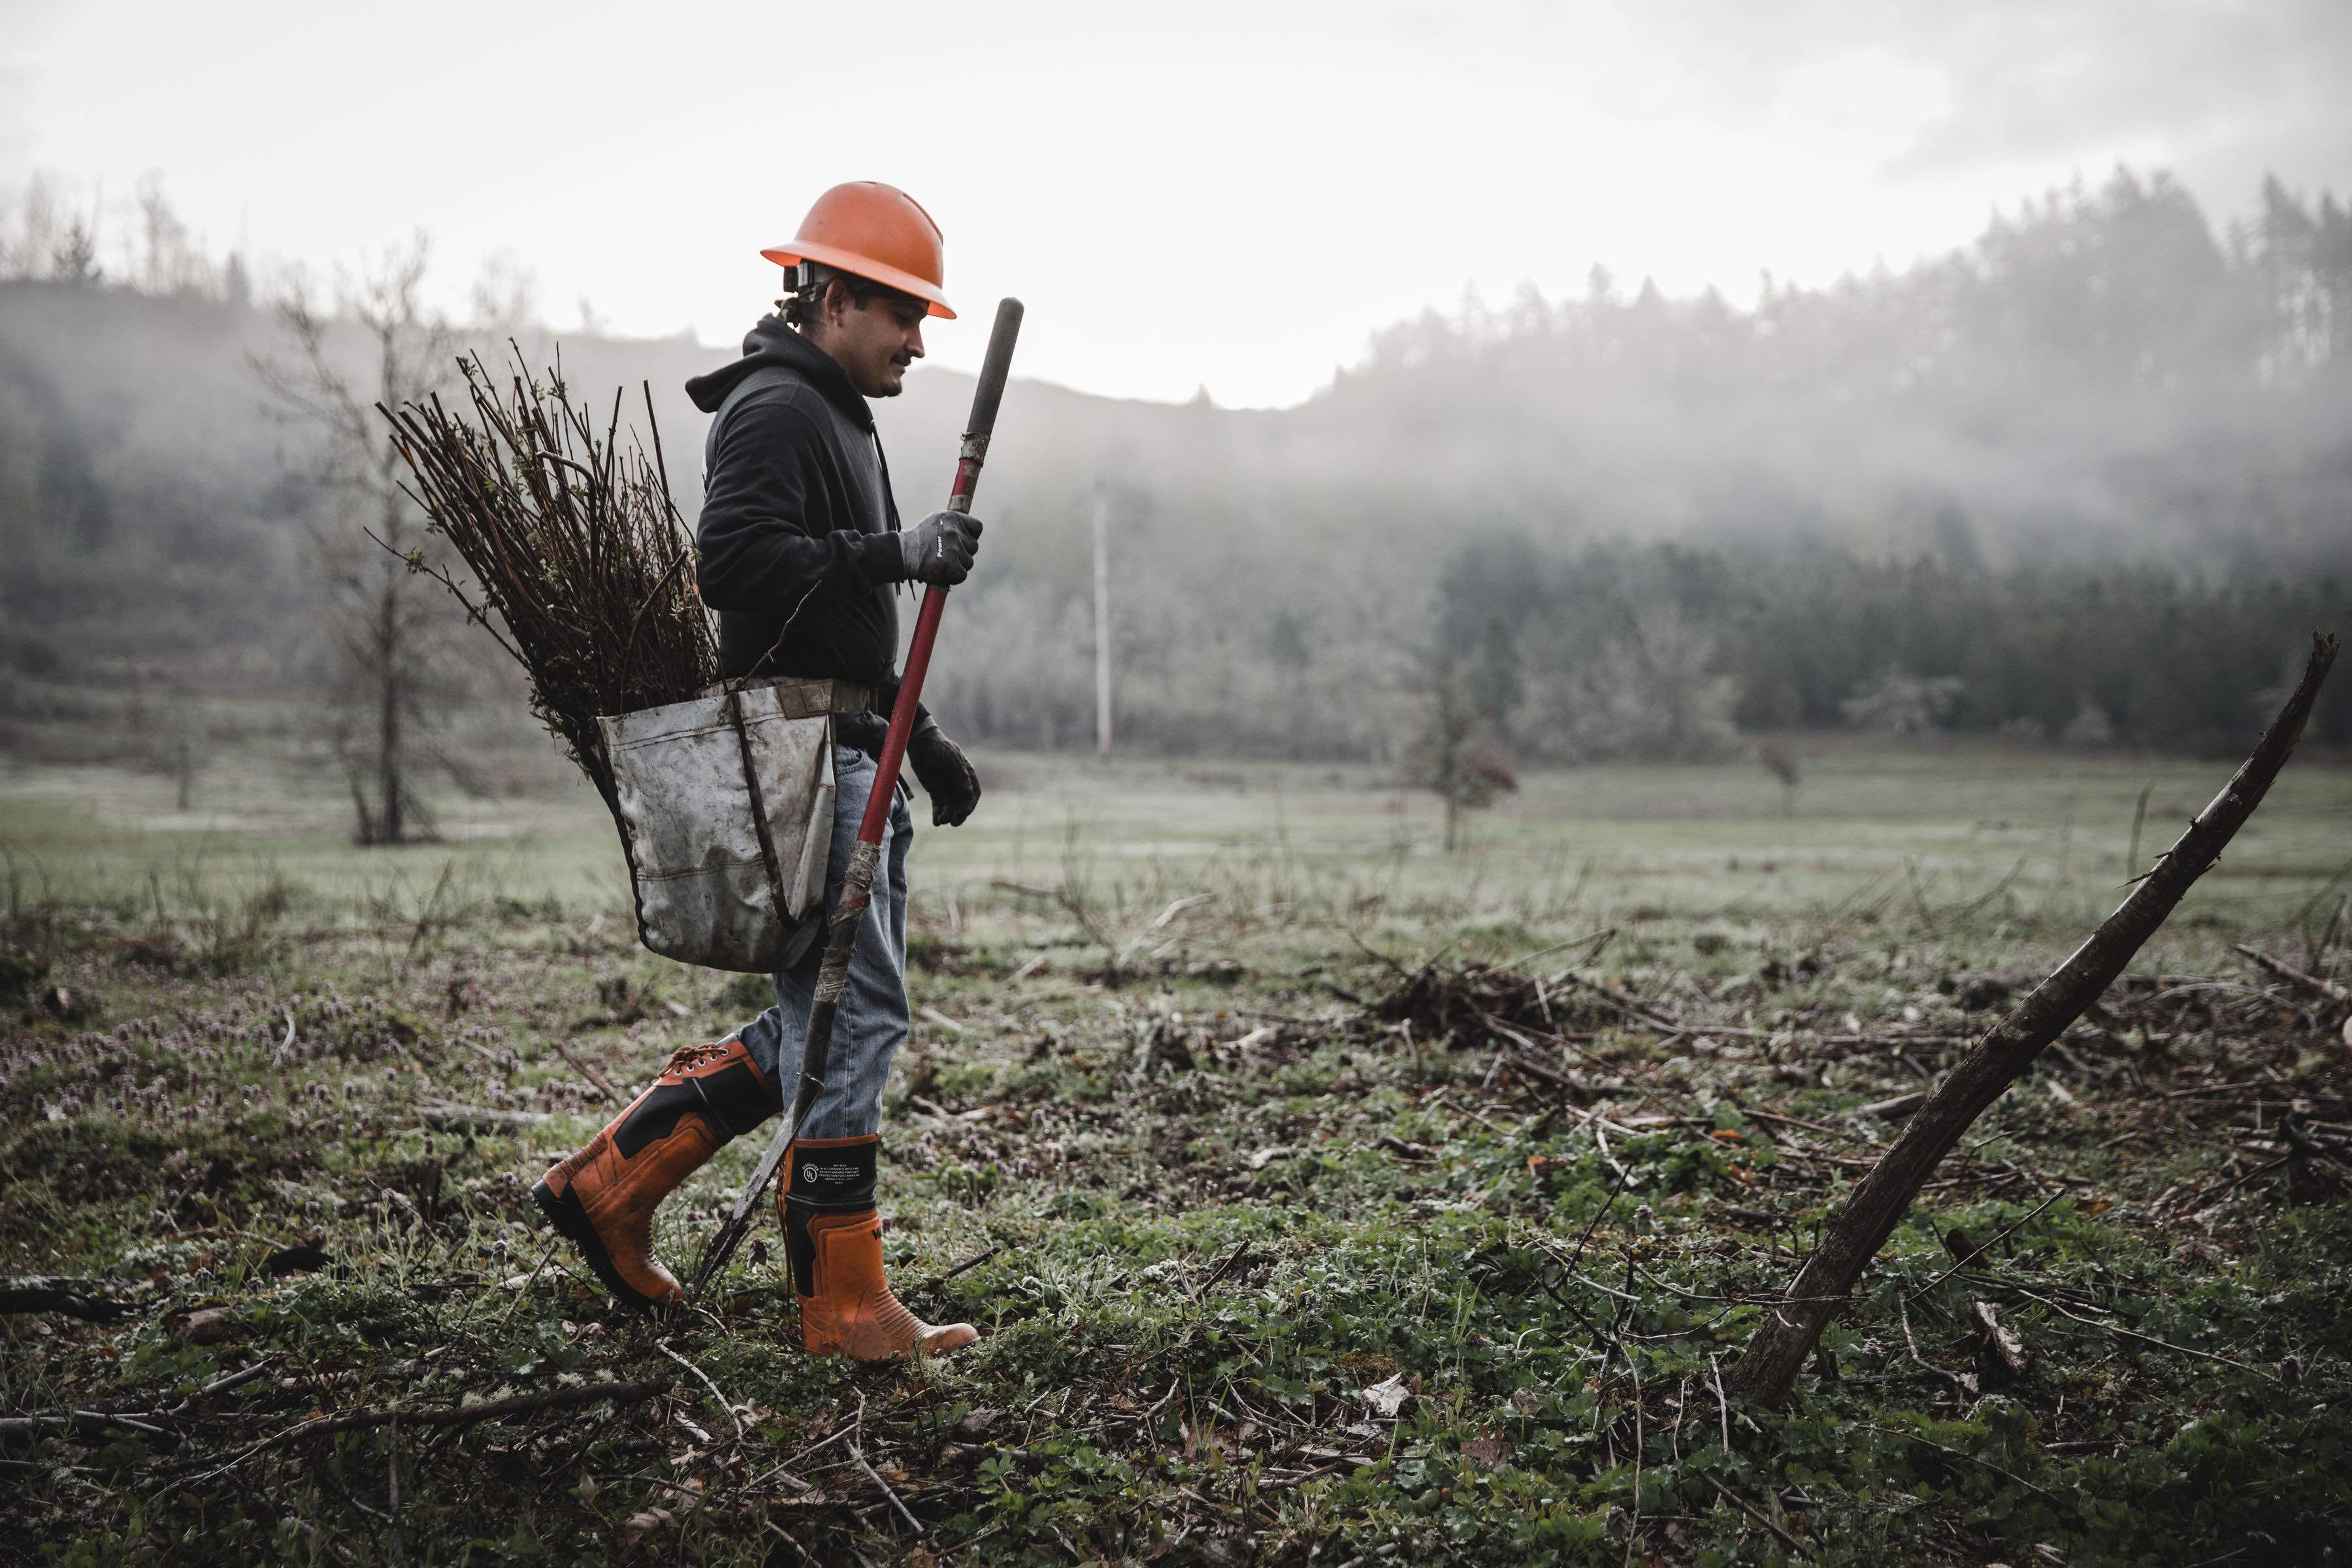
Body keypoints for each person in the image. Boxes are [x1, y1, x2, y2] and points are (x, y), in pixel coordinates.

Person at [532, 182, 986, 1362]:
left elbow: (843, 633)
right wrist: (899, 549)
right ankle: (839, 1298)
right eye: (903, 315)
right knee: (854, 1012)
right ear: (835, 298)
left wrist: (919, 740)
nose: (918, 342)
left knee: (827, 1012)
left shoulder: (838, 410)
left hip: (846, 744)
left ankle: (613, 1184)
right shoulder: (779, 406)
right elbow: (731, 566)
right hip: (798, 757)